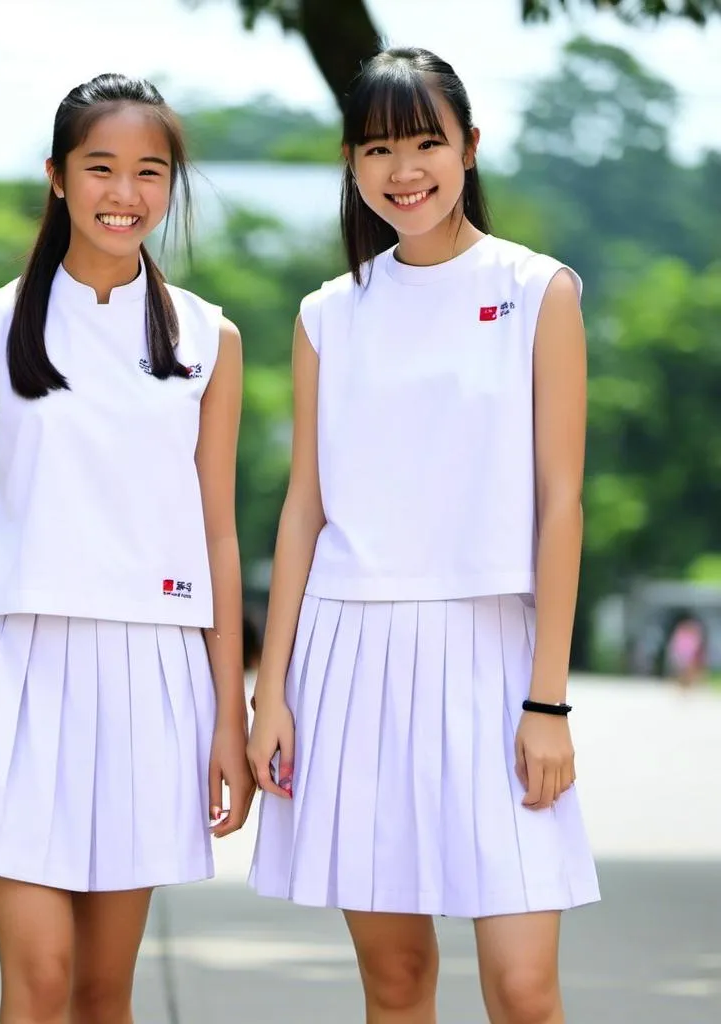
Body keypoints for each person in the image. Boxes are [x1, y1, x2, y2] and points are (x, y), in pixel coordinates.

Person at [247, 47, 600, 1024]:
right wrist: (269, 691)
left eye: (424, 143)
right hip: (350, 655)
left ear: (470, 147)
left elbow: (560, 501)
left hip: (496, 657)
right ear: (352, 165)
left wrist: (549, 701)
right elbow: (303, 510)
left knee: (523, 990)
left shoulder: (537, 291)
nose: (403, 170)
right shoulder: (328, 312)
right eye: (376, 149)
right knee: (395, 982)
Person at [0, 73, 254, 1024]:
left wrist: (229, 709)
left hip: (152, 674)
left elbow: (219, 535)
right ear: (57, 177)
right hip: (17, 670)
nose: (126, 193)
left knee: (105, 994)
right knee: (42, 980)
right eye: (101, 167)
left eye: (151, 172)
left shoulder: (208, 338)